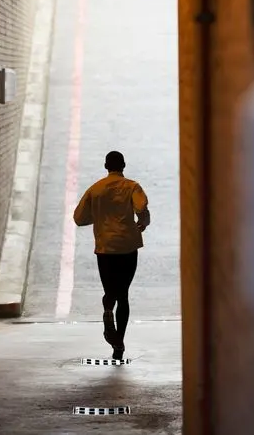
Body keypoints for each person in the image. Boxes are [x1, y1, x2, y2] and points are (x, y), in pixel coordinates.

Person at [73, 151, 151, 360]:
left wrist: (99, 217)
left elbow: (79, 218)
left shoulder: (95, 189)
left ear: (105, 166)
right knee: (123, 294)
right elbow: (142, 207)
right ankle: (119, 344)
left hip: (105, 248)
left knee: (111, 290)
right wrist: (143, 220)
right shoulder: (132, 186)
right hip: (127, 246)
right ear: (124, 165)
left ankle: (107, 307)